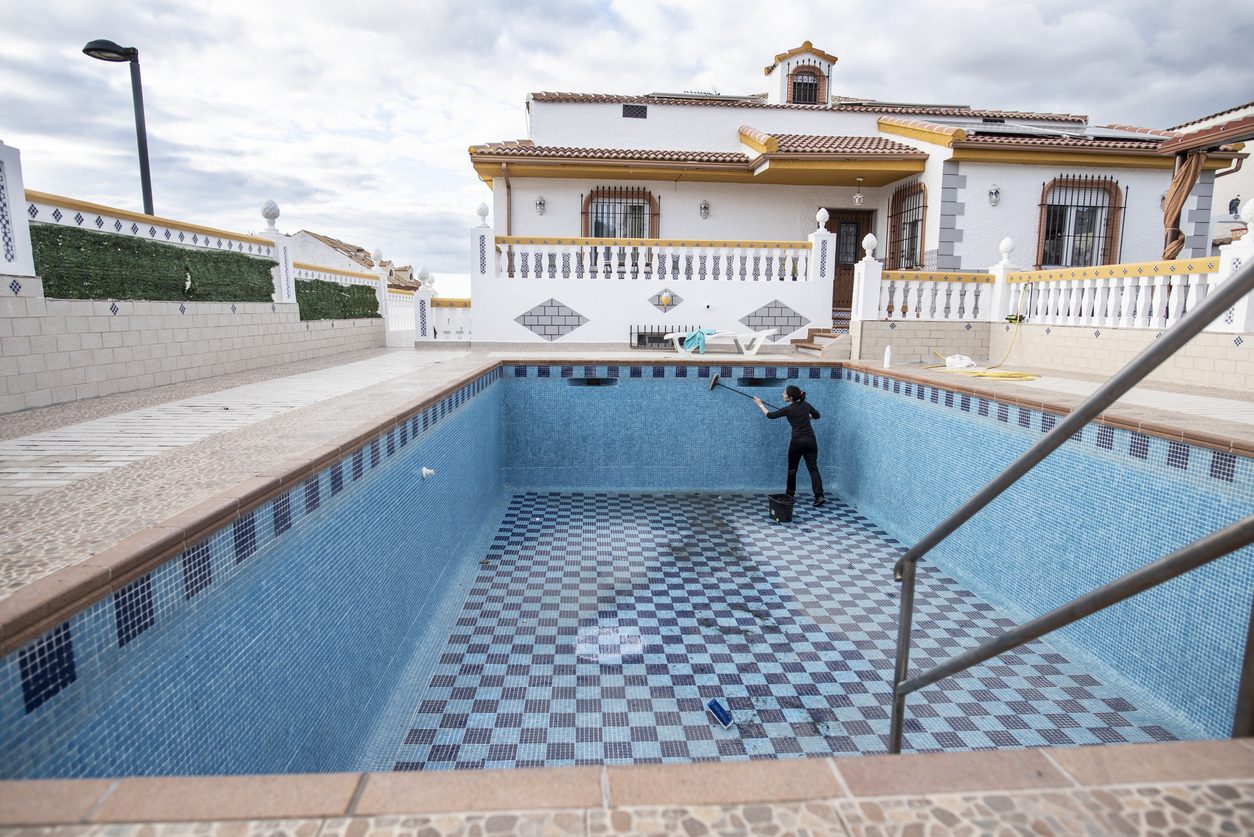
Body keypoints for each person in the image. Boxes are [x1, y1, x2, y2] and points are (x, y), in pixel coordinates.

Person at [754, 385, 824, 507]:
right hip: (811, 441)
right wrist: (804, 415)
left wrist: (760, 404)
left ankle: (790, 494)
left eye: (784, 393)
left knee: (792, 469)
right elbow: (817, 415)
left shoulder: (787, 410)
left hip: (797, 442)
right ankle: (819, 496)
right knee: (813, 468)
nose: (782, 394)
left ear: (790, 397)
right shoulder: (806, 405)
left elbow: (770, 415)